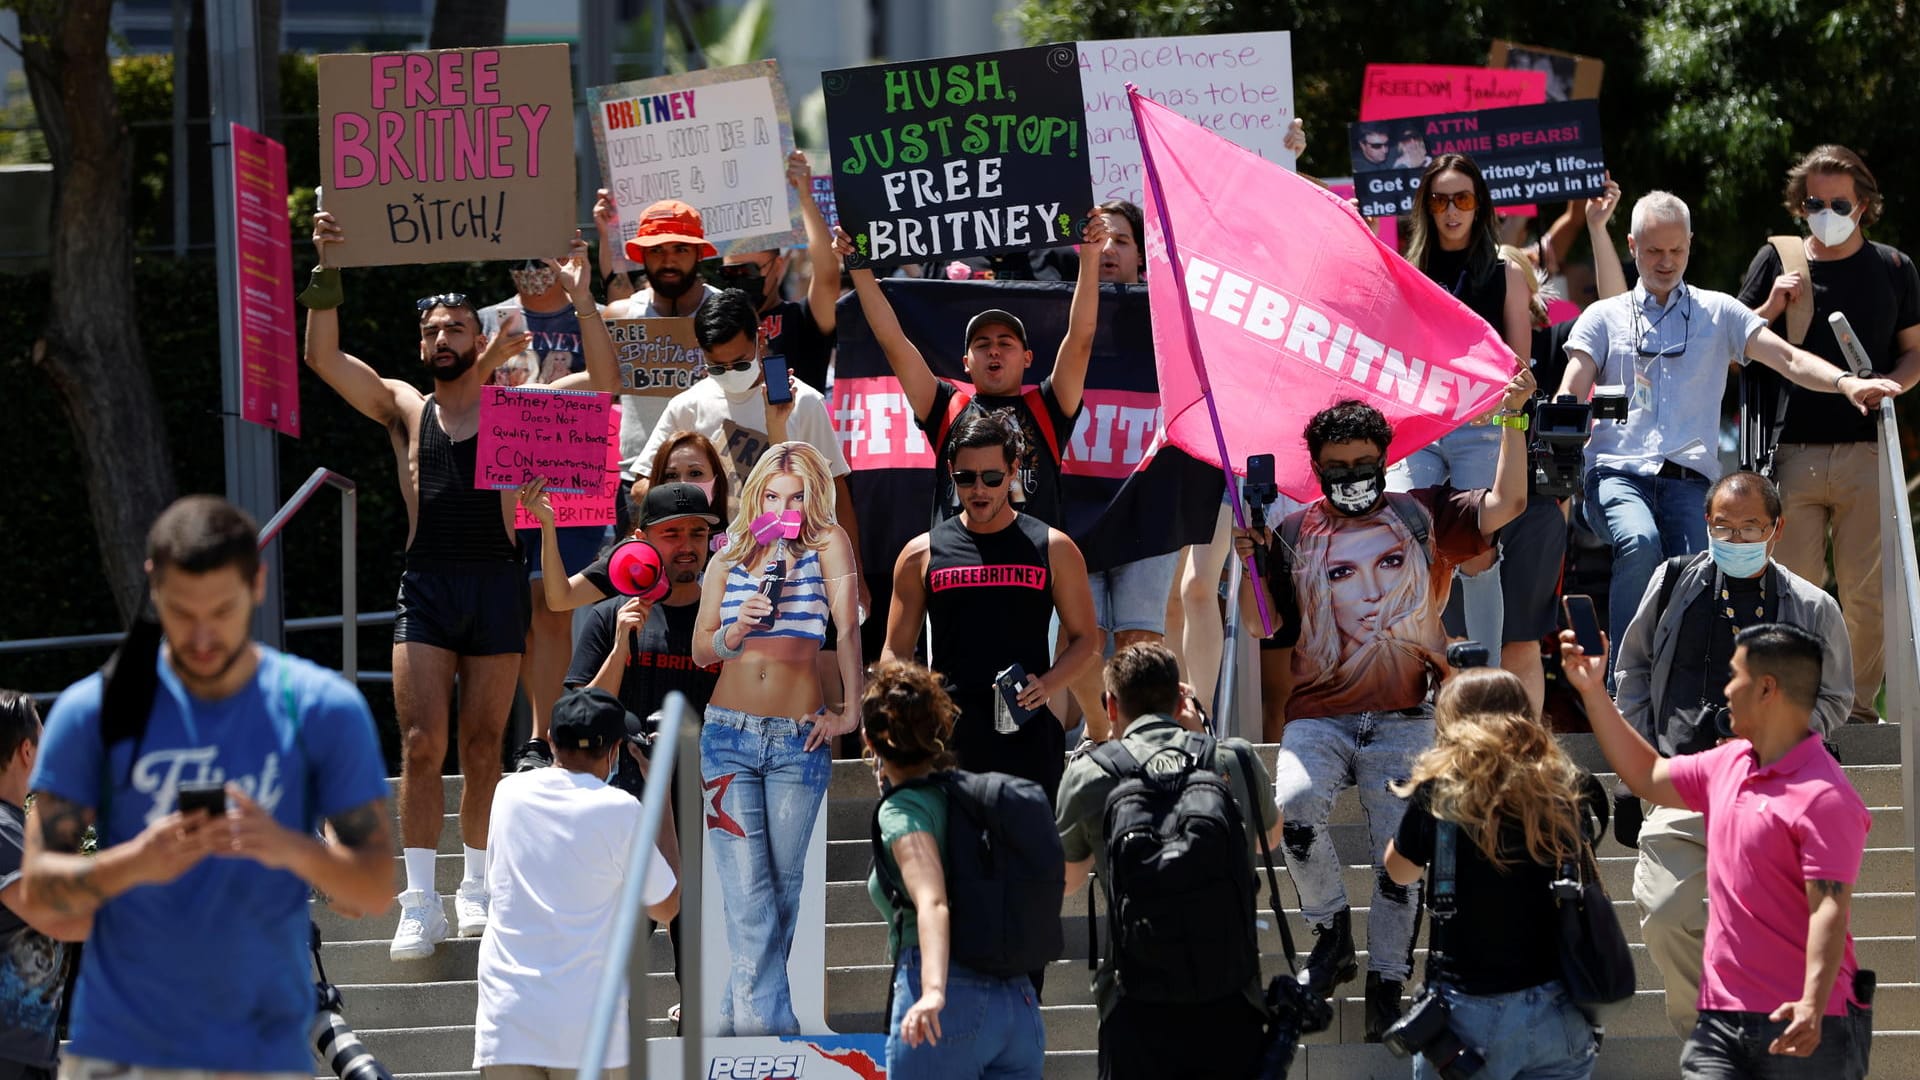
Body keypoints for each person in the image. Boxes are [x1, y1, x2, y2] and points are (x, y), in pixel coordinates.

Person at [304, 212, 620, 958]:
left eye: (454, 330)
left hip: (495, 584)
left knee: (484, 744)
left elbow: (606, 385)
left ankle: (475, 885)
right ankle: (420, 900)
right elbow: (322, 357)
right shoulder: (407, 409)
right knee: (421, 743)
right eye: (431, 333)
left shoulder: (519, 407)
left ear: (477, 339)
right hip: (428, 585)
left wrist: (581, 296)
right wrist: (326, 265)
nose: (441, 340)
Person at [21, 495, 392, 1071]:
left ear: (258, 584)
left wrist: (287, 845)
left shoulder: (320, 709)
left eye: (221, 612)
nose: (200, 636)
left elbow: (371, 890)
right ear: (153, 585)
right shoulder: (92, 712)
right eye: (180, 611)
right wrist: (139, 861)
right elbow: (40, 894)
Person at [1236, 385, 1533, 1040]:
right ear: (1315, 469)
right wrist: (1253, 564)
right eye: (1335, 469)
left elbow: (1508, 503)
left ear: (1384, 458)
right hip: (1319, 714)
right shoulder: (1292, 531)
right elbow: (1265, 625)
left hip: (1408, 714)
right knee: (1295, 807)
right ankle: (1331, 931)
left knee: (1402, 854)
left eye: (1362, 465)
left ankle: (1388, 980)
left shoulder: (1422, 515)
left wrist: (1512, 417)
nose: (1350, 480)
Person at [1554, 190, 1901, 662]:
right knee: (1640, 543)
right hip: (1616, 474)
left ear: (1690, 244)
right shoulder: (1603, 316)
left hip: (1688, 481)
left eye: (1677, 250)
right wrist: (1562, 419)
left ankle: (1687, 690)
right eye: (1654, 250)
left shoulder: (1717, 311)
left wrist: (1845, 383)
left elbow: (1789, 359)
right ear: (1632, 246)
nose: (1666, 261)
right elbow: (1573, 384)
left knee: (1700, 575)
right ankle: (1623, 685)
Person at [1565, 624, 1873, 1079]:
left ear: (1767, 688)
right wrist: (1594, 693)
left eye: (1735, 676)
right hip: (1719, 1023)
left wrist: (1811, 1000)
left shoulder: (1825, 794)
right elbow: (1648, 774)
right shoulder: (1728, 762)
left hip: (1806, 1022)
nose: (1724, 689)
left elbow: (1828, 907)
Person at [1614, 470, 1854, 1038]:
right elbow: (1633, 671)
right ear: (1707, 525)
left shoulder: (1812, 605)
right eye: (1724, 526)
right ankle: (1708, 1033)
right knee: (1669, 913)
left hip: (1774, 795)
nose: (1737, 538)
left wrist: (1775, 735)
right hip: (1682, 783)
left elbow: (1837, 697)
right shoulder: (1673, 582)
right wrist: (1632, 776)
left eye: (1751, 528)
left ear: (1776, 529)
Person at [1738, 145, 1920, 724]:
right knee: (1795, 590)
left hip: (1868, 450)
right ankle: (1793, 709)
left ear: (1863, 205)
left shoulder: (1894, 268)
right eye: (1813, 201)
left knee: (1867, 597)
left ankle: (1858, 712)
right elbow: (1732, 350)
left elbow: (1913, 353)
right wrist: (1771, 304)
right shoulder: (1778, 258)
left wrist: (1891, 385)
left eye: (1838, 202)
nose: (1825, 211)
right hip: (1791, 454)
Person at [691, 442, 863, 1035]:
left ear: (813, 497)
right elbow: (699, 648)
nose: (783, 505)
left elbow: (846, 633)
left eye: (795, 496)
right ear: (756, 495)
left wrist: (850, 711)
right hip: (727, 737)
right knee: (749, 896)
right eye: (771, 494)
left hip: (798, 739)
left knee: (778, 898)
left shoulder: (826, 547)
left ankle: (733, 1025)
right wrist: (733, 630)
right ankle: (769, 1035)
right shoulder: (729, 557)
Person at [1055, 643, 1283, 1079]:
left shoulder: (1089, 773)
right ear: (1181, 699)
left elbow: (1065, 881)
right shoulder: (1231, 758)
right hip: (1230, 997)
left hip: (1136, 1002)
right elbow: (1270, 839)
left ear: (1110, 705)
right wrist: (1204, 739)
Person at [1382, 667, 1604, 1079]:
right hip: (1561, 1009)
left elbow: (1399, 871)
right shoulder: (1563, 789)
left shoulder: (1439, 791)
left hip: (1470, 1016)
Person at [834, 211, 1108, 529]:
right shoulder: (945, 407)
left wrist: (1090, 258)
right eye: (982, 344)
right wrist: (858, 264)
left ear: (1028, 358)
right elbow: (893, 341)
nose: (993, 349)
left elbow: (1081, 337)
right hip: (958, 569)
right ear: (966, 363)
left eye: (1006, 343)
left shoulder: (1050, 407)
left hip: (1034, 571)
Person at [883, 412, 1099, 805]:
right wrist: (901, 720)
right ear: (950, 472)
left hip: (1029, 735)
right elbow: (894, 653)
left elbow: (1086, 641)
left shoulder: (1055, 548)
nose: (979, 489)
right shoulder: (921, 553)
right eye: (966, 478)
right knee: (961, 864)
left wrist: (1048, 685)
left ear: (1014, 470)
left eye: (992, 477)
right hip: (948, 738)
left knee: (1028, 863)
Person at [474, 687, 679, 1080]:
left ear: (551, 738)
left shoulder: (507, 794)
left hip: (507, 1019)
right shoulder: (620, 809)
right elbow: (667, 905)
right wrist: (660, 789)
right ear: (616, 750)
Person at [863, 660, 1046, 1078]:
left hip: (948, 1005)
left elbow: (933, 901)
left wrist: (931, 992)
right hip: (1018, 1003)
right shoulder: (974, 799)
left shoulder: (905, 810)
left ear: (870, 740)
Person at [1391, 155, 1534, 665]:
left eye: (1463, 199)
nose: (1452, 211)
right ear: (1425, 208)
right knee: (1404, 537)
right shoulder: (1408, 271)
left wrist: (1499, 395)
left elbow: (1518, 366)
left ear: (1480, 206)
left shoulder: (1505, 273)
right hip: (1423, 428)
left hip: (1480, 429)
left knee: (1476, 553)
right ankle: (1413, 670)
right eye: (1440, 200)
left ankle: (1485, 680)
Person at [477, 255, 612, 775]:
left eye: (545, 255)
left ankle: (543, 735)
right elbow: (470, 389)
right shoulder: (489, 318)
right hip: (504, 476)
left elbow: (607, 380)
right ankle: (534, 732)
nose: (533, 266)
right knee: (519, 615)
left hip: (572, 473)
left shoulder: (592, 311)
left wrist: (550, 392)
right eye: (521, 257)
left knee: (552, 606)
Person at [1497, 179, 1628, 714]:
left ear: (1533, 293)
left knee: (1522, 637)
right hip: (1467, 500)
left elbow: (1620, 317)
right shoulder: (1461, 350)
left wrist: (1595, 227)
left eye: (1511, 287)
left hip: (1539, 506)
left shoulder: (1559, 341)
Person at [1064, 200, 1183, 739]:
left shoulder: (1170, 317)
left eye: (1122, 240)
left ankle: (1143, 734)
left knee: (1139, 637)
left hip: (1146, 503)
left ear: (1142, 254)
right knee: (1083, 636)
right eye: (1098, 239)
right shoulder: (1055, 318)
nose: (1109, 249)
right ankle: (1098, 734)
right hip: (1076, 507)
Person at [598, 198, 724, 516]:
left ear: (699, 253)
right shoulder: (622, 315)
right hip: (638, 479)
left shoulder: (727, 312)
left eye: (680, 249)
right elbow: (601, 382)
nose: (668, 261)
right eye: (657, 250)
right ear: (642, 256)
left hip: (717, 478)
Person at [534, 433, 731, 614]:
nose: (682, 482)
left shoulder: (739, 545)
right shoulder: (635, 552)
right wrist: (547, 524)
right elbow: (561, 599)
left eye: (695, 473)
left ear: (716, 479)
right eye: (671, 475)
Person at [0, 691, 85, 1080]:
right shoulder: (2, 831)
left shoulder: (17, 828)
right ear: (27, 753)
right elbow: (61, 916)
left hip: (28, 1054)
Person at [716, 150, 843, 394]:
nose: (740, 280)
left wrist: (804, 196)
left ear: (778, 266)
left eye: (749, 270)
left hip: (797, 430)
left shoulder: (803, 319)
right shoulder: (718, 326)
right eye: (730, 273)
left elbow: (827, 275)